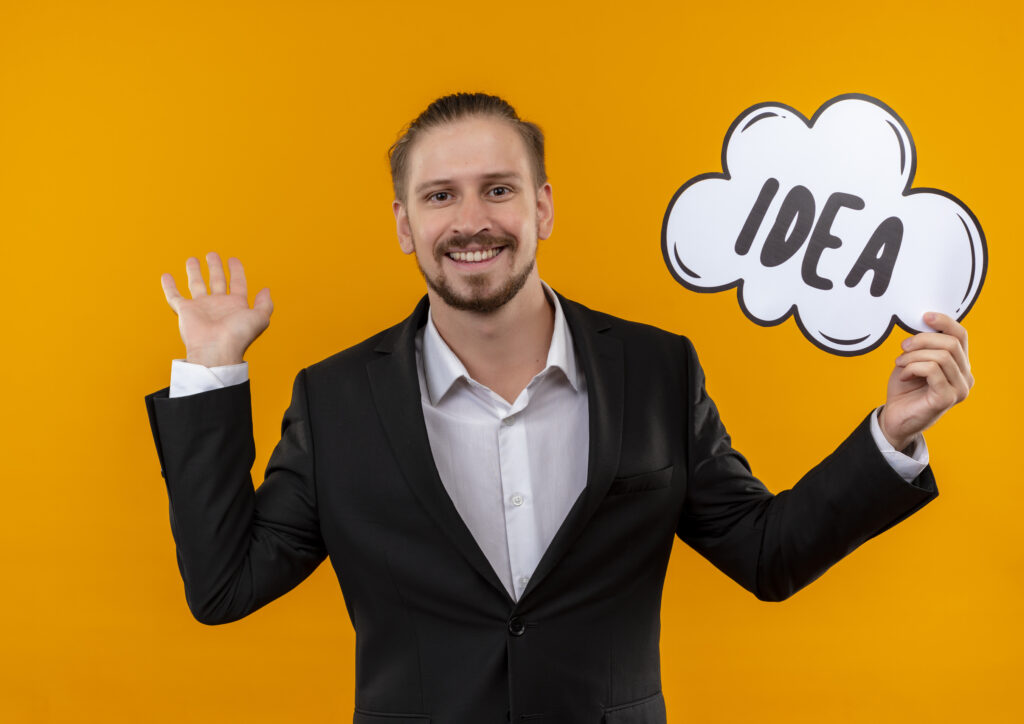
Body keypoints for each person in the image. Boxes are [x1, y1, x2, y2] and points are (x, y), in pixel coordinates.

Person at [145, 93, 973, 724]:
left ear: (542, 207)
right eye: (439, 197)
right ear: (403, 223)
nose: (472, 221)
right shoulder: (334, 400)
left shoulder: (655, 368)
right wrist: (211, 375)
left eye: (497, 189)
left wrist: (892, 437)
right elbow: (224, 587)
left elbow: (767, 555)